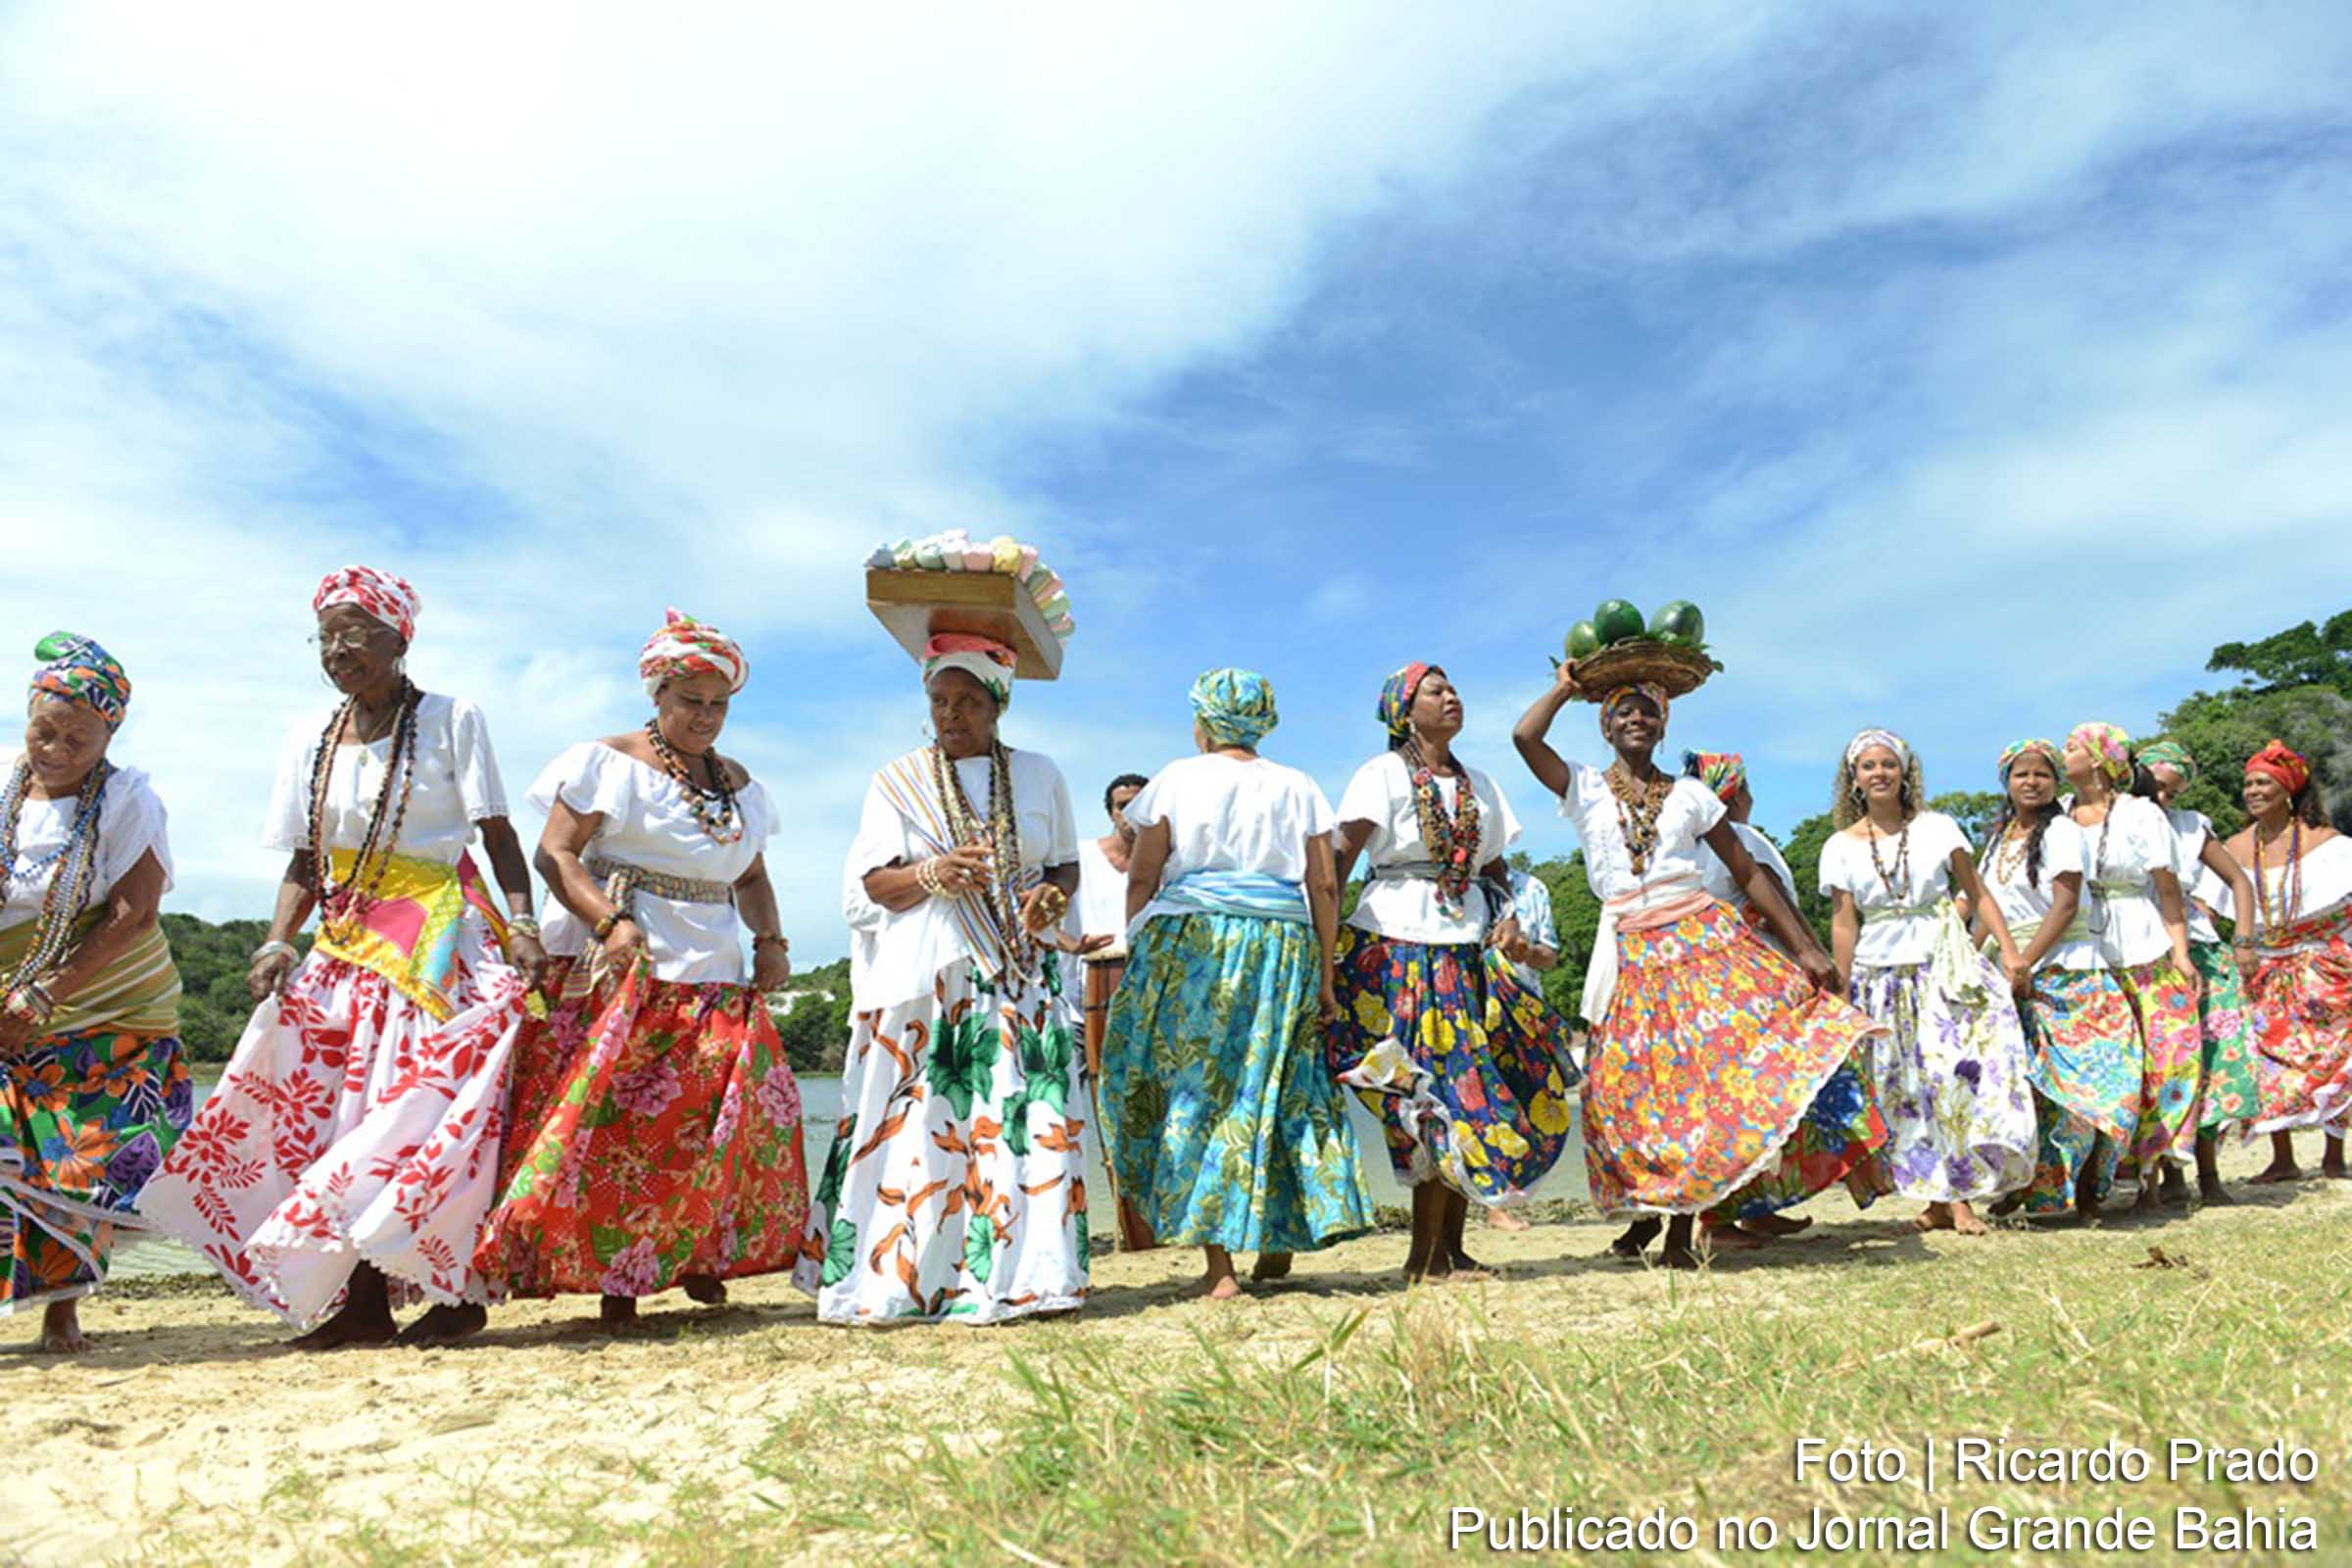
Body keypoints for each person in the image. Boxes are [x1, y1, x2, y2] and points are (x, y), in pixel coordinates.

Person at [140, 567, 546, 1348]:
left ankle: (452, 1291)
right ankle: (362, 1306)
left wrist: (523, 923)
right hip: (344, 941)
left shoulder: (454, 719)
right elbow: (303, 861)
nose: (337, 650)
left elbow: (497, 836)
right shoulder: (312, 740)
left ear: (400, 641)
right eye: (324, 636)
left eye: (354, 633)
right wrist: (274, 942)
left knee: (417, 1116)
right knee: (335, 1118)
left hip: (433, 938)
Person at [473, 611, 808, 1328]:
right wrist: (609, 920)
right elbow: (555, 854)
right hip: (629, 961)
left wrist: (772, 940)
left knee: (712, 1119)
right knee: (623, 1120)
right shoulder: (607, 761)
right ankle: (615, 1282)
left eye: (719, 704)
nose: (706, 716)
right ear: (657, 693)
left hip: (714, 968)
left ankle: (693, 1254)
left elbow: (750, 875)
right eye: (691, 700)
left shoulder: (740, 784)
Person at [1513, 667, 1878, 1269]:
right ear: (1604, 725)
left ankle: (1684, 1237)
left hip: (1699, 941)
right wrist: (1564, 688)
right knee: (1626, 1092)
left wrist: (1808, 949)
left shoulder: (1690, 794)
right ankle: (1651, 1216)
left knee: (1696, 1088)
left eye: (1647, 711)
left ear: (1663, 724)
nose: (1636, 719)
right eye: (1623, 711)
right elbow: (1526, 739)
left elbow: (1748, 872)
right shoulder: (1583, 786)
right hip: (1629, 948)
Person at [797, 632, 1089, 1323]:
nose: (951, 714)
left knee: (1018, 1119)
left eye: (967, 701)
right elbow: (875, 884)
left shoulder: (1042, 774)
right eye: (939, 701)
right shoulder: (896, 779)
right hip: (929, 977)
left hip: (1016, 973)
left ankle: (1028, 1279)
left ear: (998, 705)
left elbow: (1065, 865)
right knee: (925, 1122)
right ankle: (904, 1279)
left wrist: (1049, 894)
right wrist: (933, 873)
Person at [1100, 668, 1371, 1298]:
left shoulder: (1175, 777)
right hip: (1281, 943)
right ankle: (1279, 1230)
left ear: (1205, 721)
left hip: (1193, 944)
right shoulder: (1297, 784)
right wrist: (1326, 975)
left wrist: (1142, 946)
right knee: (1277, 1084)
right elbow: (1323, 883)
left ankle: (1220, 1270)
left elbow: (1143, 876)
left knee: (1199, 1091)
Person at [1325, 662, 1577, 1282]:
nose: (1452, 696)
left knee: (1469, 1094)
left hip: (1465, 951)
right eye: (1435, 691)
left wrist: (1511, 916)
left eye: (1453, 687)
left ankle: (1450, 1252)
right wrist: (1323, 951)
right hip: (1395, 948)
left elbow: (1493, 869)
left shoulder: (1480, 783)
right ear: (1403, 712)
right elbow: (1337, 859)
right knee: (1429, 1094)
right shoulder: (1380, 775)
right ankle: (1422, 1257)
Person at [1, 634, 189, 1353]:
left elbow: (134, 913)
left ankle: (61, 1308)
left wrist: (47, 995)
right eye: (43, 729)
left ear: (108, 734)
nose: (55, 747)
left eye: (77, 738)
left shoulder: (125, 800)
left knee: (76, 1161)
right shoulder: (2, 784)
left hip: (99, 1003)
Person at [1820, 729, 2034, 1235]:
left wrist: (2008, 951)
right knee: (1906, 1088)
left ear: (1905, 772)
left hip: (1942, 968)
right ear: (1854, 779)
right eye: (1868, 766)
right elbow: (1844, 920)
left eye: (1888, 764)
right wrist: (1843, 988)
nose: (1879, 773)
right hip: (1880, 973)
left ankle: (1961, 1197)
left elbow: (1977, 893)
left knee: (1951, 1078)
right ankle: (1936, 1199)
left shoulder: (1939, 828)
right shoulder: (1840, 846)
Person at [1686, 750, 1883, 1245]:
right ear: (1732, 794)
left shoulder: (1685, 847)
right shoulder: (1744, 840)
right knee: (1782, 1089)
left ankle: (1746, 1208)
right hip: (1758, 978)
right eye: (1746, 788)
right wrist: (1815, 957)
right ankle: (1729, 1216)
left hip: (1709, 982)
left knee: (1739, 1099)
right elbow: (1777, 903)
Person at [1975, 739, 2132, 1220]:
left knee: (2086, 1082)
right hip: (2012, 969)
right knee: (2028, 1088)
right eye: (2021, 774)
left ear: (2055, 783)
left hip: (2068, 966)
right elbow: (1988, 909)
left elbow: (2065, 905)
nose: (2031, 782)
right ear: (2007, 782)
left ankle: (2087, 1189)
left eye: (2041, 774)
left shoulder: (2062, 831)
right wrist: (1974, 958)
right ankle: (2025, 1187)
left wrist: (2025, 960)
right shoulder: (1999, 839)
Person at [2060, 722, 2203, 1211]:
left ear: (2100, 759)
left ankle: (2155, 1174)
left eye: (2073, 746)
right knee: (2105, 1068)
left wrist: (2181, 953)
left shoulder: (2141, 813)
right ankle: (2091, 1179)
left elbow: (2166, 889)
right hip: (2082, 947)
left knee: (2159, 1063)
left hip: (2142, 942)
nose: (2064, 753)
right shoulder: (2057, 814)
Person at [2134, 737, 2262, 1202]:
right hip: (2141, 951)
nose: (2162, 799)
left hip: (2199, 955)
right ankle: (2162, 1178)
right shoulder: (2115, 821)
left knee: (2209, 1064)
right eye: (2155, 787)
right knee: (2157, 1067)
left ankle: (2209, 1176)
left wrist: (2243, 940)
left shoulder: (2189, 828)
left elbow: (2239, 882)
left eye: (2171, 792)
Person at [2226, 740, 2351, 1181]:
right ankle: (2282, 1158)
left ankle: (2334, 1156)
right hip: (2262, 966)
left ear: (2288, 791)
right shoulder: (2236, 847)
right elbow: (2206, 905)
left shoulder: (2327, 843)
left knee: (2334, 1051)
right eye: (2248, 784)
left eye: (2263, 783)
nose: (2252, 791)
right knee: (2265, 1058)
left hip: (2322, 962)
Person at [1075, 771, 1154, 1250]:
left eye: (1142, 803)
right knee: (1092, 1115)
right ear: (1110, 811)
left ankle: (1154, 1230)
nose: (1131, 812)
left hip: (1150, 993)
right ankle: (1120, 1229)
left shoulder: (1169, 862)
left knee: (1152, 1108)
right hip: (1084, 996)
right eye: (1123, 804)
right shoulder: (1083, 857)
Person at [1485, 864, 1562, 1233]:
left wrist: (1525, 951)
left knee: (1525, 1106)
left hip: (1525, 1008)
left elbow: (1550, 955)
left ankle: (1507, 1195)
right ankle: (1495, 1205)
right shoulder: (1459, 883)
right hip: (1476, 1005)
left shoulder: (1532, 887)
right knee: (1490, 1106)